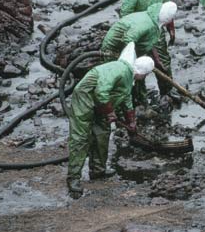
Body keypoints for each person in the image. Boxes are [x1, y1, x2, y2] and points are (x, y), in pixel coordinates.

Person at [66, 42, 154, 198]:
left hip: (101, 104)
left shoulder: (129, 77)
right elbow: (101, 91)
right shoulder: (120, 69)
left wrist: (131, 122)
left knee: (102, 133)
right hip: (85, 98)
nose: (144, 78)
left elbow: (126, 99)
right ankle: (73, 178)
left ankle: (98, 171)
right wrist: (110, 112)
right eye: (146, 75)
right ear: (143, 72)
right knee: (81, 138)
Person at [101, 1, 178, 105]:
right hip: (115, 49)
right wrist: (130, 63)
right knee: (125, 78)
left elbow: (150, 41)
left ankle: (141, 99)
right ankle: (125, 104)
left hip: (134, 46)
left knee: (140, 73)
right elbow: (128, 39)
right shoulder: (146, 24)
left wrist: (157, 61)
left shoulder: (154, 21)